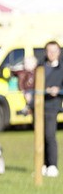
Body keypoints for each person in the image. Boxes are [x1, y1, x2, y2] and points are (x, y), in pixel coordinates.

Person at [42, 41, 63, 177]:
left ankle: (52, 165)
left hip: (53, 106)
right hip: (39, 106)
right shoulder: (40, 67)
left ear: (59, 52)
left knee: (50, 135)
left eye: (54, 51)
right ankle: (42, 164)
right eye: (49, 51)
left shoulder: (61, 68)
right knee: (40, 136)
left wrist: (59, 90)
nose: (52, 54)